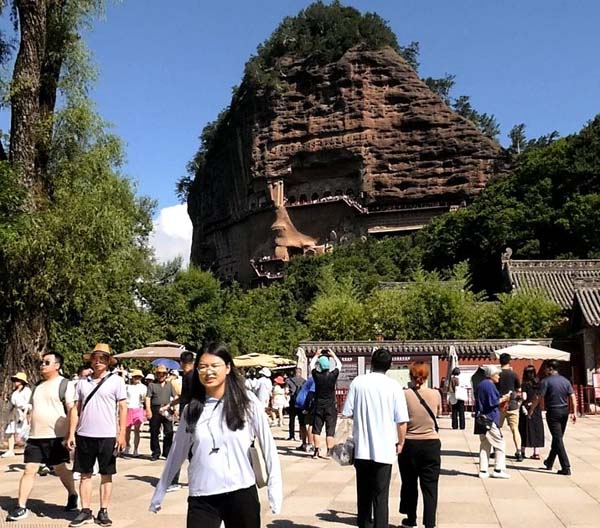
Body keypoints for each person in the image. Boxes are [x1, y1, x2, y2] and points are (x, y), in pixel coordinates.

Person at [149, 343, 283, 527]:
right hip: (202, 495)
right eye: (203, 367)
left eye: (214, 366)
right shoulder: (192, 410)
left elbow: (268, 445)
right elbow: (176, 452)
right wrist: (160, 491)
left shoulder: (247, 403)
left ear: (227, 368)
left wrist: (275, 488)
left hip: (241, 491)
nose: (208, 372)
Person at [6, 354, 78, 522]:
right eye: (42, 362)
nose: (42, 365)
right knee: (29, 469)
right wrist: (27, 426)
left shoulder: (65, 384)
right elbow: (32, 409)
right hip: (35, 437)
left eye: (47, 362)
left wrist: (70, 434)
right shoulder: (37, 386)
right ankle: (21, 506)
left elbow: (72, 410)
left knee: (60, 469)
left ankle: (73, 494)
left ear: (57, 365)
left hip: (56, 437)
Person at [342, 348, 409, 528]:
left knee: (363, 495)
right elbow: (402, 420)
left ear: (371, 363)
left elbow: (347, 412)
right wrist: (401, 442)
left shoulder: (358, 382)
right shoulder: (394, 386)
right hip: (385, 449)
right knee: (381, 496)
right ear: (389, 365)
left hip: (361, 448)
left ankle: (364, 524)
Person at [67, 343, 128, 527]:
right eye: (95, 358)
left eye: (102, 358)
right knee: (85, 474)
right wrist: (71, 433)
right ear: (91, 361)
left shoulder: (116, 381)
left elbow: (122, 407)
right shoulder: (82, 382)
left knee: (106, 474)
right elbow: (75, 409)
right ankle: (85, 510)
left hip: (107, 434)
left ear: (108, 361)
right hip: (85, 433)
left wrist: (122, 433)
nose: (98, 362)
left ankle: (103, 510)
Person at [398, 363, 442, 528]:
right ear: (427, 376)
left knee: (409, 483)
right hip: (431, 442)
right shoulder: (436, 394)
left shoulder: (405, 394)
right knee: (430, 486)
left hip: (410, 443)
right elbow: (438, 413)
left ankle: (411, 519)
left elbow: (401, 419)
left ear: (411, 376)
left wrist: (400, 442)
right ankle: (430, 522)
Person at [528, 359, 577, 475]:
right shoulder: (565, 381)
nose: (544, 370)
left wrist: (531, 409)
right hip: (564, 411)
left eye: (546, 368)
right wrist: (574, 412)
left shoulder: (546, 381)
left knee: (558, 439)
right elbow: (573, 397)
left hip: (553, 412)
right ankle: (549, 462)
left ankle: (566, 467)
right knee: (557, 438)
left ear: (550, 368)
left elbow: (538, 397)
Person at [474, 365, 511, 479]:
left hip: (481, 418)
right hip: (489, 419)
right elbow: (493, 402)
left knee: (485, 444)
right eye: (497, 374)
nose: (499, 376)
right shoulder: (489, 386)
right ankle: (498, 469)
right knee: (500, 443)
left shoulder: (481, 384)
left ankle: (483, 470)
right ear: (491, 375)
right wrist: (505, 398)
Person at [310, 348, 342, 459]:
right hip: (330, 406)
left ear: (320, 365)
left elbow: (311, 366)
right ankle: (329, 451)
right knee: (330, 430)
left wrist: (316, 355)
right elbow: (339, 365)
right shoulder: (333, 376)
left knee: (317, 429)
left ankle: (316, 451)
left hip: (318, 405)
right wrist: (333, 355)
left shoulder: (316, 376)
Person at [145, 364, 177, 461]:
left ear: (166, 375)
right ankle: (155, 452)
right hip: (155, 409)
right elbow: (148, 398)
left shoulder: (169, 385)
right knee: (154, 431)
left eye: (163, 373)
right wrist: (148, 410)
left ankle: (167, 452)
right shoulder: (152, 385)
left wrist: (175, 408)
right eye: (159, 373)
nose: (161, 375)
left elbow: (175, 397)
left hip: (167, 408)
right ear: (156, 374)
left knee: (169, 431)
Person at [497, 353, 523, 461]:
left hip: (500, 405)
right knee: (515, 429)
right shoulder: (514, 374)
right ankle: (519, 451)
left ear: (500, 361)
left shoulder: (497, 375)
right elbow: (519, 390)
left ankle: (497, 449)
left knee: (497, 428)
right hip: (512, 405)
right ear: (509, 361)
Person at [2, 372, 32, 458]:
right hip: (14, 413)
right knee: (11, 430)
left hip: (23, 412)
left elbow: (29, 403)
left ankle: (29, 449)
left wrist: (25, 414)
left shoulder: (27, 391)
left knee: (24, 432)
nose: (16, 381)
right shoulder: (14, 392)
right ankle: (10, 450)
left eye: (17, 380)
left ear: (22, 381)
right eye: (15, 380)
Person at [518, 365, 544, 460]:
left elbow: (524, 397)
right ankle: (536, 452)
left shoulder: (525, 384)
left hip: (526, 408)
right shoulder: (538, 383)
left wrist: (519, 398)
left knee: (524, 429)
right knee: (536, 429)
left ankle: (522, 451)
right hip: (536, 407)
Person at [124, 369, 147, 457]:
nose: (137, 378)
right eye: (135, 377)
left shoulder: (143, 387)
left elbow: (145, 399)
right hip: (129, 408)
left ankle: (136, 449)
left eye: (139, 377)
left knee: (137, 430)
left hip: (138, 408)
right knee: (127, 430)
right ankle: (127, 446)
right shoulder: (127, 387)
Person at [285, 368, 306, 442]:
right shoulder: (304, 381)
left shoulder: (289, 381)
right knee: (302, 421)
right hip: (301, 403)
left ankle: (291, 436)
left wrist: (289, 393)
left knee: (292, 420)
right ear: (300, 373)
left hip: (293, 402)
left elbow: (286, 391)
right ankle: (301, 436)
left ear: (294, 373)